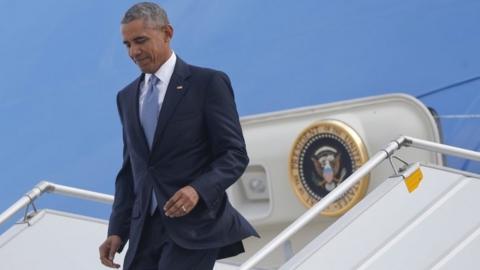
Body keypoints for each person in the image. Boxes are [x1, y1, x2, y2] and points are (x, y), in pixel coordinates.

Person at [98, 2, 258, 270]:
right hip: (143, 232)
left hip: (195, 228)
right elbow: (131, 171)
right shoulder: (125, 97)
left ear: (167, 32)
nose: (134, 52)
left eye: (140, 41)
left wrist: (198, 190)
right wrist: (117, 229)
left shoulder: (208, 83)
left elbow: (234, 155)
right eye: (127, 45)